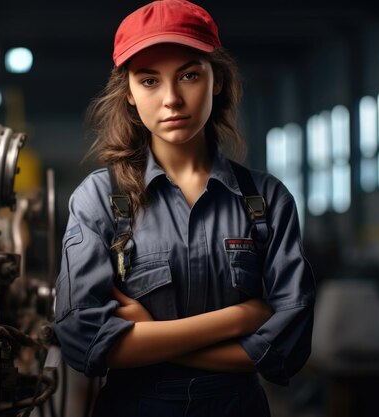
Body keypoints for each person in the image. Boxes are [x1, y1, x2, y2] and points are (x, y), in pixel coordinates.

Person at [53, 1, 316, 416]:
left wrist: (150, 336)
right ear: (130, 94)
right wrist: (239, 318)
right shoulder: (100, 199)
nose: (172, 99)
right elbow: (82, 339)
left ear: (216, 80)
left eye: (189, 75)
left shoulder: (266, 200)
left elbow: (288, 347)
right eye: (149, 81)